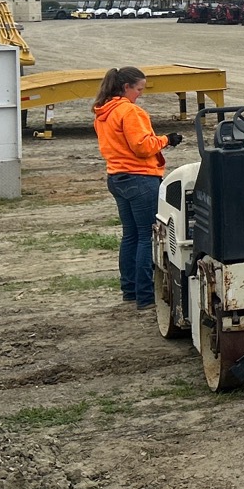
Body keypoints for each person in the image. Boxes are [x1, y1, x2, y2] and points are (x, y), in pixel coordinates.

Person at [93, 67, 182, 309]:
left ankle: (130, 290)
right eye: (139, 89)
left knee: (130, 235)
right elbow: (142, 147)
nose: (140, 94)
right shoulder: (129, 111)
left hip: (117, 177)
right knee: (147, 236)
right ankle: (145, 296)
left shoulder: (103, 112)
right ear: (126, 87)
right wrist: (167, 139)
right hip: (140, 178)